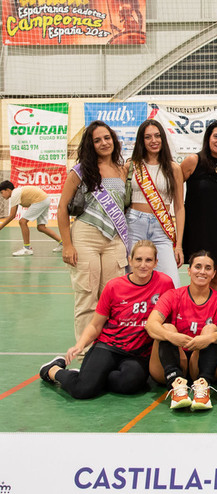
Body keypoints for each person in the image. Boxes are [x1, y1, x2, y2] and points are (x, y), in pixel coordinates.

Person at [38, 240, 173, 399]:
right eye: (138, 259)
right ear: (130, 261)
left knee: (131, 385)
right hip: (109, 346)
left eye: (148, 260)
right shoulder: (114, 286)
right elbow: (96, 325)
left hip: (138, 353)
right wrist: (79, 345)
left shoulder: (165, 283)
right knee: (83, 390)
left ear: (156, 262)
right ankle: (53, 370)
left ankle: (92, 376)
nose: (143, 265)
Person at [58, 120, 131, 342]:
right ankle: (85, 353)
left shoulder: (122, 169)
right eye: (97, 140)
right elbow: (62, 207)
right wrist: (67, 244)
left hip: (115, 239)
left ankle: (109, 348)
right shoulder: (80, 171)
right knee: (87, 298)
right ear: (90, 145)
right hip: (85, 237)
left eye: (107, 138)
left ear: (114, 140)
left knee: (113, 298)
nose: (103, 143)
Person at [146, 251, 217, 411]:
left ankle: (203, 387)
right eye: (198, 267)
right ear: (189, 270)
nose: (202, 271)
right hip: (172, 360)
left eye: (208, 268)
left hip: (201, 362)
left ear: (214, 273)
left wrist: (208, 339)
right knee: (165, 327)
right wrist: (171, 336)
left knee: (211, 330)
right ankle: (176, 384)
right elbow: (151, 325)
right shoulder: (173, 295)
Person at [126, 119, 185, 287]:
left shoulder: (173, 168)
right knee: (133, 279)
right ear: (141, 141)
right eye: (148, 137)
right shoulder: (131, 166)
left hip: (162, 228)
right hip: (134, 225)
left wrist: (179, 245)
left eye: (157, 136)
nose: (154, 141)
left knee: (172, 283)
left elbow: (180, 207)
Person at [180, 120, 217, 291]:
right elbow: (172, 190)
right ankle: (195, 314)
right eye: (216, 136)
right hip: (197, 231)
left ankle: (215, 316)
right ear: (208, 138)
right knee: (198, 278)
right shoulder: (192, 161)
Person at [0, 180, 61, 255]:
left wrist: (1, 226)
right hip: (45, 199)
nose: (2, 195)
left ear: (8, 190)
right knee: (41, 227)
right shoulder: (17, 193)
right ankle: (62, 243)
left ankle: (27, 249)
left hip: (40, 200)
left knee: (22, 222)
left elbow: (12, 215)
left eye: (2, 192)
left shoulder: (14, 194)